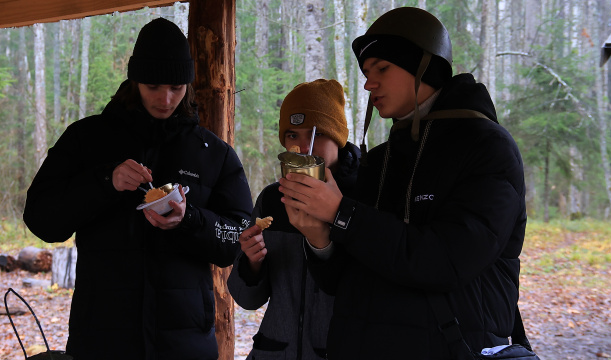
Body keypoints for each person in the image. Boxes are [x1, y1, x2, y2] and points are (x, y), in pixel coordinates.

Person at [278, 7, 528, 360]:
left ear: (425, 66)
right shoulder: (380, 160)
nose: (368, 83)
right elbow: (341, 281)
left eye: (382, 68)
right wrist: (319, 239)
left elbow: (446, 261)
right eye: (366, 72)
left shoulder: (487, 148)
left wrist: (341, 212)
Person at [22, 18, 253, 360]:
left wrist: (189, 219)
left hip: (184, 345)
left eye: (176, 87)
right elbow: (41, 219)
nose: (166, 98)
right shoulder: (87, 140)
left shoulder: (213, 153)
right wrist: (105, 182)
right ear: (134, 80)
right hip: (102, 340)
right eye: (153, 86)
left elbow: (237, 238)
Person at [228, 79, 360, 360]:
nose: (302, 148)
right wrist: (252, 264)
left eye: (315, 134)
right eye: (291, 135)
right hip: (273, 351)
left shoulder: (364, 196)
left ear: (338, 137)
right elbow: (246, 299)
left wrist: (322, 242)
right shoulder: (272, 199)